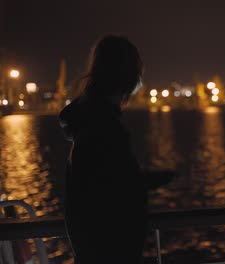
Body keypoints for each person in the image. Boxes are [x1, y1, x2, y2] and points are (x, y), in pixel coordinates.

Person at [59, 35, 147, 263]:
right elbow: (114, 199)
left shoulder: (85, 124)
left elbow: (97, 185)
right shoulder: (107, 129)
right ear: (129, 78)